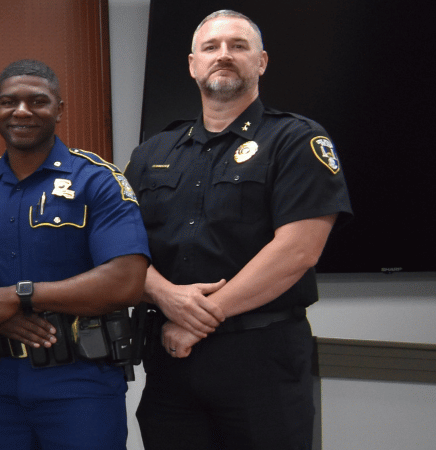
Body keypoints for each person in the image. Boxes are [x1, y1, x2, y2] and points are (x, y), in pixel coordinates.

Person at [125, 10, 350, 450]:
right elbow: (122, 247)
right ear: (193, 65)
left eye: (238, 46)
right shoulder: (153, 151)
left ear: (261, 62)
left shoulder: (296, 140)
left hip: (261, 358)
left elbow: (298, 250)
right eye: (211, 47)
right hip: (171, 361)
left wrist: (200, 319)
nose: (223, 55)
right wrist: (164, 295)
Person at [0, 60, 149, 450]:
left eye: (37, 101)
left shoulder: (97, 180)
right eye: (9, 102)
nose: (22, 111)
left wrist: (20, 296)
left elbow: (126, 280)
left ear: (60, 109)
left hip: (80, 384)